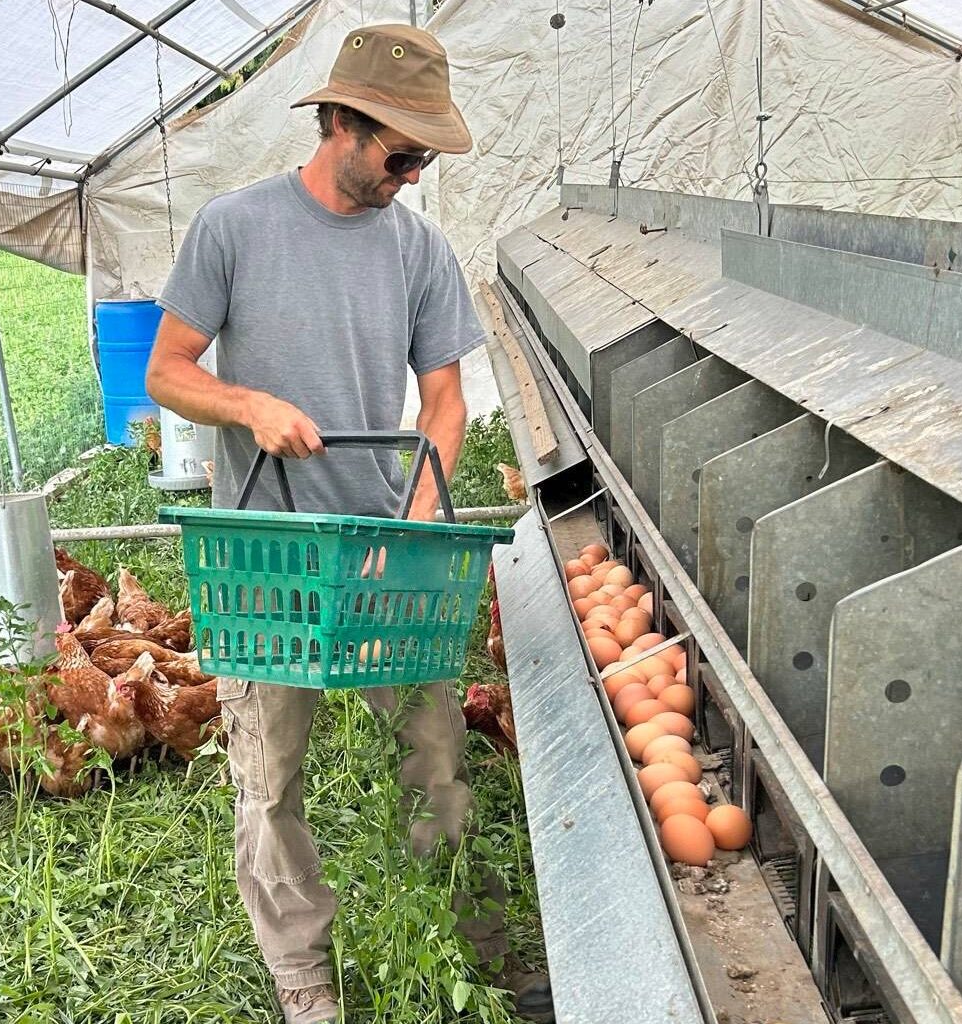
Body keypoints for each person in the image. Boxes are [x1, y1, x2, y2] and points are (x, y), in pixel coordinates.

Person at [145, 23, 552, 1024]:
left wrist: (411, 524)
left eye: (422, 158)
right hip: (268, 552)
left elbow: (446, 403)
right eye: (398, 153)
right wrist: (248, 407)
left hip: (382, 549)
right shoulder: (234, 229)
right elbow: (166, 370)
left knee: (433, 760)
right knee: (268, 775)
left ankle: (475, 949)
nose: (412, 176)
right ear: (336, 122)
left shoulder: (418, 249)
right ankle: (302, 978)